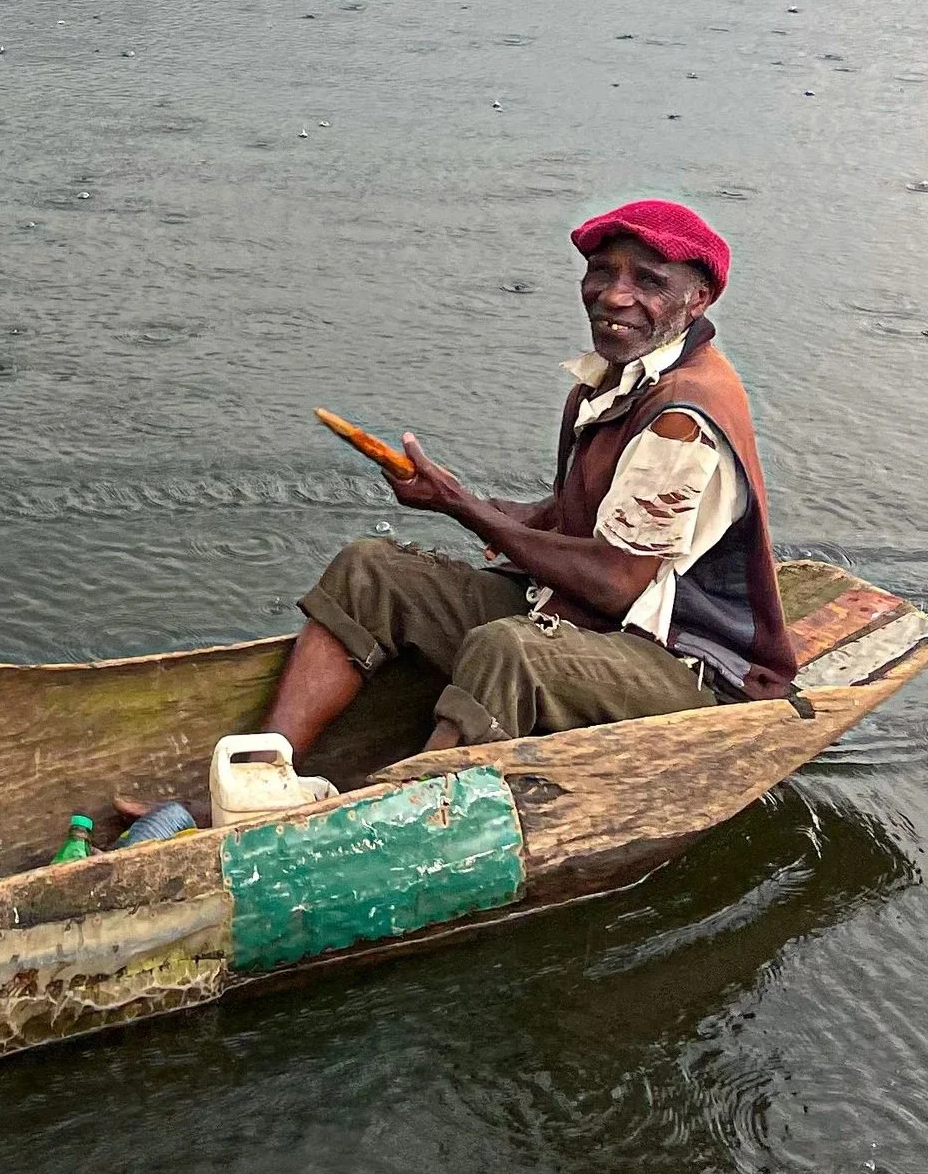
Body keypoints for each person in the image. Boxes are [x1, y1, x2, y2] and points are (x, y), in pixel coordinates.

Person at [235, 199, 800, 803]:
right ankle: (260, 780)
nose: (613, 296)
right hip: (592, 619)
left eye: (649, 281)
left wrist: (460, 506)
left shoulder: (682, 417)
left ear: (698, 299)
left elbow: (617, 582)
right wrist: (502, 510)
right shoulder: (619, 375)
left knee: (509, 650)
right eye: (602, 273)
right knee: (371, 572)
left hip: (679, 663)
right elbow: (584, 514)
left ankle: (395, 817)